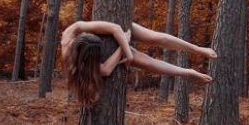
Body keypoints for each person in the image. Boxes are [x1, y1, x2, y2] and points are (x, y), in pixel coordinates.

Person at [61, 20, 217, 106]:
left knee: (155, 38)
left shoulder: (74, 30)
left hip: (115, 30)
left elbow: (115, 28)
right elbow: (106, 70)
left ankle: (198, 49)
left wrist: (127, 50)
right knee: (146, 62)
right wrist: (124, 50)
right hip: (113, 47)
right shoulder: (75, 60)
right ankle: (188, 72)